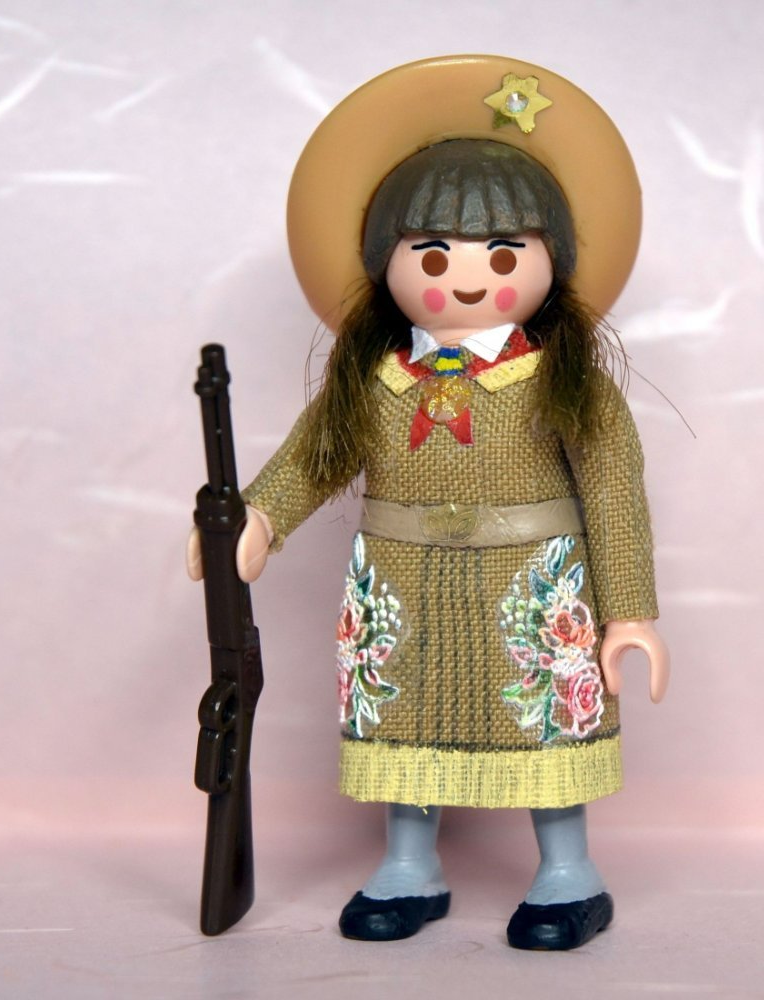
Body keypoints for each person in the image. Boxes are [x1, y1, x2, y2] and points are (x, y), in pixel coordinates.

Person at [188, 55, 669, 950]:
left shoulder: (561, 380)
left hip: (534, 583)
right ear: (389, 267)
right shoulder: (377, 379)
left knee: (545, 715)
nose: (470, 280)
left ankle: (569, 871)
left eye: (503, 255)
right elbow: (312, 460)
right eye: (435, 256)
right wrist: (256, 518)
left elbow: (613, 490)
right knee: (405, 712)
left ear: (551, 262)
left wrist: (629, 612)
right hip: (402, 577)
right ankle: (410, 864)